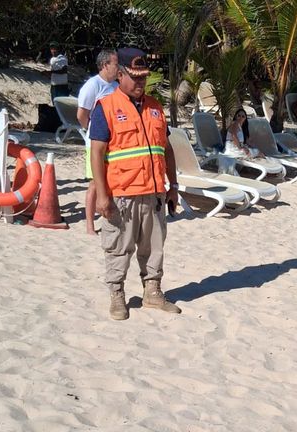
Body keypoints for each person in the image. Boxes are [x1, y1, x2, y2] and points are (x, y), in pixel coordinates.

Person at [89, 50, 182, 320]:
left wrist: (173, 185)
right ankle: (117, 295)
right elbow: (96, 153)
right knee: (118, 247)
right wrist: (102, 196)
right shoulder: (105, 107)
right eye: (135, 77)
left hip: (153, 193)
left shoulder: (155, 107)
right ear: (120, 76)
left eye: (144, 77)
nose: (141, 83)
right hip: (122, 195)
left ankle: (153, 293)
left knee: (154, 247)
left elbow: (166, 149)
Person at [77, 48, 119, 235]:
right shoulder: (92, 85)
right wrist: (93, 132)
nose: (119, 68)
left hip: (113, 141)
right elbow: (81, 114)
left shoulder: (116, 85)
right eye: (116, 64)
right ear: (105, 65)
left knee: (109, 178)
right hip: (96, 141)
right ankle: (89, 225)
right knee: (95, 181)